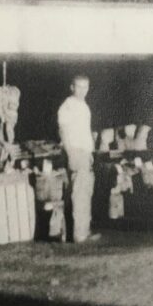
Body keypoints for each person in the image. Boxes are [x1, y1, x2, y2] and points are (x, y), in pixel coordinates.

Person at [58, 74, 97, 242]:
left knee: (85, 192)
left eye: (85, 87)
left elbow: (84, 132)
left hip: (84, 152)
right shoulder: (68, 106)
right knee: (79, 193)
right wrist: (70, 152)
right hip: (75, 151)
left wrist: (89, 152)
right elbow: (64, 131)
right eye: (79, 87)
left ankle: (84, 230)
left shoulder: (84, 106)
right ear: (72, 87)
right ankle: (79, 234)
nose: (83, 90)